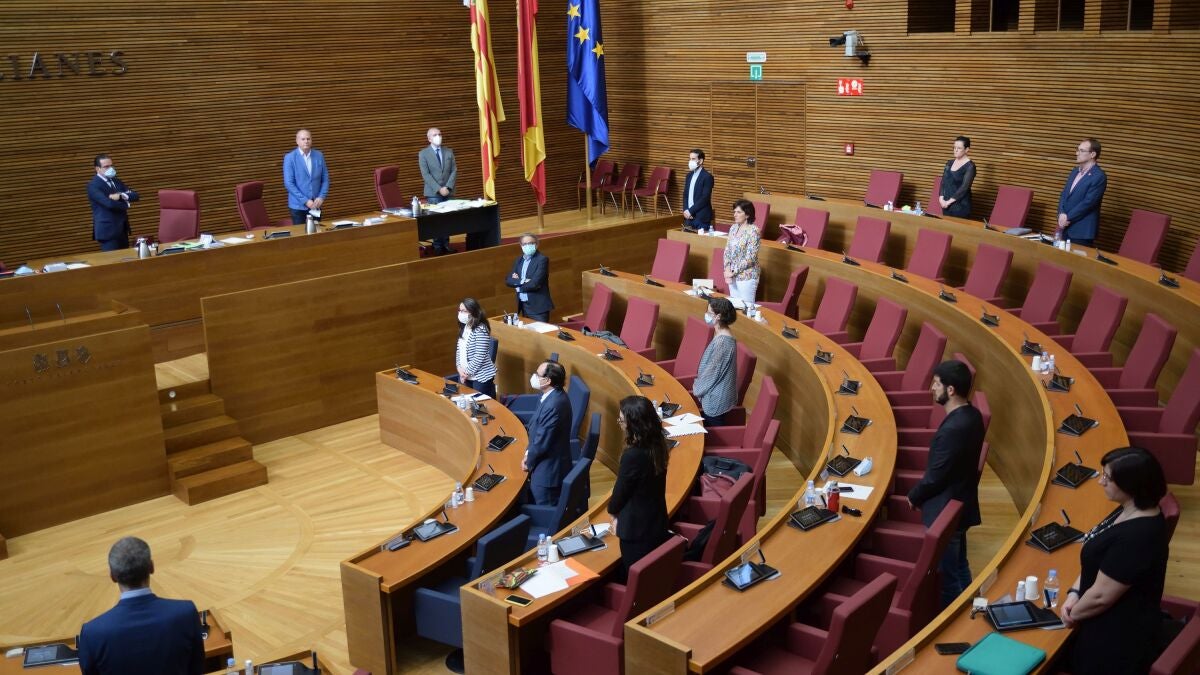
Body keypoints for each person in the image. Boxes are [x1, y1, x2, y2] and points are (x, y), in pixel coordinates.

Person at [1063, 447, 1169, 675]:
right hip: (1097, 617)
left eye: (1108, 478)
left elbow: (1101, 597)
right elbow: (1098, 561)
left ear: (1131, 485)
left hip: (1114, 644)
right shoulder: (1128, 508)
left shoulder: (1138, 536)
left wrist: (1072, 615)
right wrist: (1074, 593)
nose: (1100, 482)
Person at [906, 359, 985, 607]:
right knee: (960, 565)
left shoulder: (954, 428)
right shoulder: (972, 415)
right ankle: (971, 607)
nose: (932, 387)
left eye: (937, 384)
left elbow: (936, 477)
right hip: (961, 504)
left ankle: (955, 619)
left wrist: (914, 495)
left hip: (946, 510)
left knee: (948, 579)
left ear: (950, 390)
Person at [77, 537, 205, 675]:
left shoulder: (92, 633)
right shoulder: (186, 614)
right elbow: (197, 668)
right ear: (151, 567)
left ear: (112, 576)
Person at [609, 395, 671, 580]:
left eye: (622, 420)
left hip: (636, 531)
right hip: (656, 521)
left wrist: (614, 513)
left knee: (636, 578)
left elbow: (621, 492)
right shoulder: (659, 443)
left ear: (634, 424)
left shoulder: (633, 456)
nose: (620, 423)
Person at [522, 360, 573, 505]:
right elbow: (538, 427)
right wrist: (528, 452)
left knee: (544, 508)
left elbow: (542, 442)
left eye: (537, 374)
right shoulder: (551, 396)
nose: (534, 377)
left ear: (548, 380)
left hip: (548, 474)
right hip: (546, 463)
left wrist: (528, 459)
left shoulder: (553, 405)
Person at [693, 297, 738, 426]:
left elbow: (712, 373)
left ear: (718, 316)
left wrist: (697, 388)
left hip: (716, 401)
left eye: (709, 312)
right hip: (716, 394)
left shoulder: (723, 342)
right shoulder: (721, 333)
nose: (706, 315)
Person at [1056, 137, 1107, 247]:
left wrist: (1067, 217)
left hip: (1081, 232)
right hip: (1065, 227)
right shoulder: (1074, 171)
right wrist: (1061, 213)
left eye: (1082, 150)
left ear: (1092, 154)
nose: (1077, 153)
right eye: (1077, 150)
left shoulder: (1099, 176)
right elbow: (1064, 195)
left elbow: (1088, 203)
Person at [88, 154, 140, 251]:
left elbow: (135, 195)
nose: (110, 169)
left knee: (125, 258)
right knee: (113, 259)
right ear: (97, 169)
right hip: (107, 231)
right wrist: (126, 203)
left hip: (122, 229)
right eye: (106, 166)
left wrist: (121, 195)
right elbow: (109, 204)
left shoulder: (116, 181)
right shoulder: (93, 185)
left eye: (111, 166)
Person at [418, 127, 458, 254]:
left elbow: (454, 170)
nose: (438, 136)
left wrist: (448, 187)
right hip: (433, 193)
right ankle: (437, 246)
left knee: (447, 219)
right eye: (435, 135)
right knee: (436, 220)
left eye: (440, 134)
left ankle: (446, 244)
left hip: (448, 191)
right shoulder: (423, 154)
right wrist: (439, 189)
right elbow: (426, 175)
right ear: (429, 138)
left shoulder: (449, 151)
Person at [282, 128, 329, 225]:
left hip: (316, 204)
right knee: (300, 233)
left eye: (308, 139)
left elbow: (325, 179)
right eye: (303, 139)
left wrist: (321, 197)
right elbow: (289, 183)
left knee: (317, 231)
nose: (306, 141)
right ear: (297, 141)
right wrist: (305, 201)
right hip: (298, 206)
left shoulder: (319, 155)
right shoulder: (290, 158)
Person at [506, 233, 554, 322]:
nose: (527, 246)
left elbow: (535, 284)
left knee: (540, 330)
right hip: (523, 305)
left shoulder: (542, 260)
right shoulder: (518, 260)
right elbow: (509, 280)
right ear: (521, 245)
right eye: (525, 244)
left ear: (537, 244)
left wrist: (518, 286)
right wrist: (523, 281)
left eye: (531, 243)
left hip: (538, 307)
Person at [455, 297, 497, 398]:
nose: (460, 313)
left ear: (473, 312)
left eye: (464, 311)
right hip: (465, 374)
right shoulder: (465, 327)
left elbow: (479, 356)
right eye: (459, 310)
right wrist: (459, 367)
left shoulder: (480, 329)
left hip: (481, 377)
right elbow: (459, 350)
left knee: (480, 404)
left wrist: (465, 373)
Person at [723, 199, 761, 303]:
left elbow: (750, 258)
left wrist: (733, 272)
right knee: (734, 306)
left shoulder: (754, 231)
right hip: (732, 275)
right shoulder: (733, 228)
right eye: (734, 212)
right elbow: (727, 251)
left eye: (738, 212)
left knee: (746, 307)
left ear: (747, 215)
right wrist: (727, 269)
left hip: (747, 276)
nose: (735, 215)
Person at [938, 136, 976, 218]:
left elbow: (964, 188)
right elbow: (943, 182)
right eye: (954, 147)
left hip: (961, 206)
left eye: (959, 148)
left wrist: (948, 202)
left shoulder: (970, 166)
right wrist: (941, 198)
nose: (955, 150)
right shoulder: (949, 163)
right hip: (946, 205)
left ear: (966, 149)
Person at [682, 148, 714, 232]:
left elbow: (705, 198)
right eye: (690, 159)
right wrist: (686, 210)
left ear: (700, 161)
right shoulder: (688, 176)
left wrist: (690, 211)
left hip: (701, 217)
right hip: (688, 217)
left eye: (693, 159)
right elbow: (685, 195)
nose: (690, 161)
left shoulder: (707, 177)